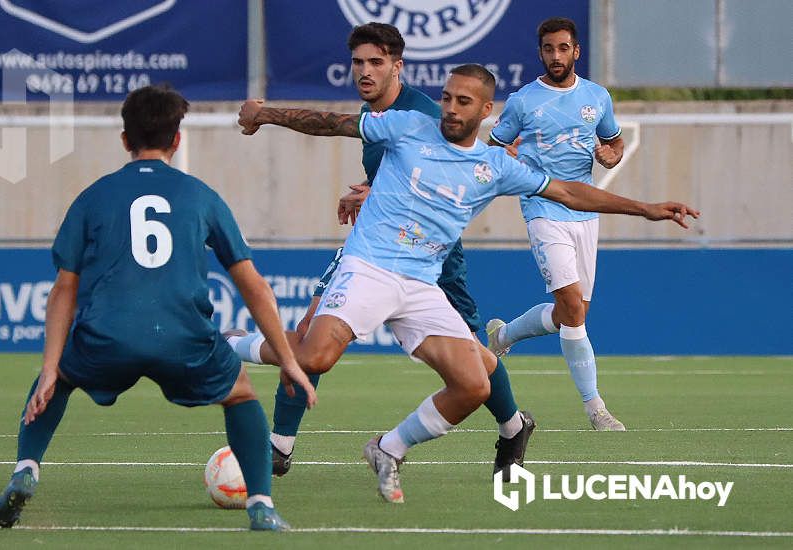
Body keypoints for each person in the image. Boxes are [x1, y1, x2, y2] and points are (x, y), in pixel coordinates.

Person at [235, 64, 698, 502]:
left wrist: (645, 208)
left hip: (421, 284)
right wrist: (264, 115)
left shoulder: (494, 167)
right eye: (447, 98)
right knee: (316, 356)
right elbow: (329, 122)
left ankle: (389, 448)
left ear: (485, 111)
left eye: (463, 101)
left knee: (473, 385)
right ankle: (233, 347)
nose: (451, 109)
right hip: (369, 266)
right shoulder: (406, 126)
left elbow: (570, 191)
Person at [0, 85, 316, 532]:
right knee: (239, 393)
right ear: (177, 140)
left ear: (125, 140)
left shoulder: (93, 196)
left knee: (58, 380)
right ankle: (260, 504)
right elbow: (253, 285)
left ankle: (25, 469)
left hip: (108, 335)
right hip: (184, 337)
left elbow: (64, 289)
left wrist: (50, 365)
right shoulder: (201, 196)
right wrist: (290, 360)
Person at [262, 21, 532, 481]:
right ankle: (278, 445)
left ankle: (513, 425)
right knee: (312, 326)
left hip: (437, 258)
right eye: (358, 63)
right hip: (382, 247)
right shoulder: (379, 118)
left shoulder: (425, 113)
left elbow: (462, 167)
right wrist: (370, 190)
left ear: (397, 67)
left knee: (475, 358)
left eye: (375, 63)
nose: (364, 72)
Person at [486, 17, 628, 430]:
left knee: (574, 312)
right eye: (549, 49)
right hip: (542, 208)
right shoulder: (524, 101)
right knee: (571, 308)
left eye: (563, 48)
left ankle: (504, 336)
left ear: (576, 51)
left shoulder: (597, 97)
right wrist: (507, 161)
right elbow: (495, 148)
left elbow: (614, 141)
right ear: (541, 52)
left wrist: (611, 155)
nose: (556, 56)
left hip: (586, 211)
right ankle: (596, 408)